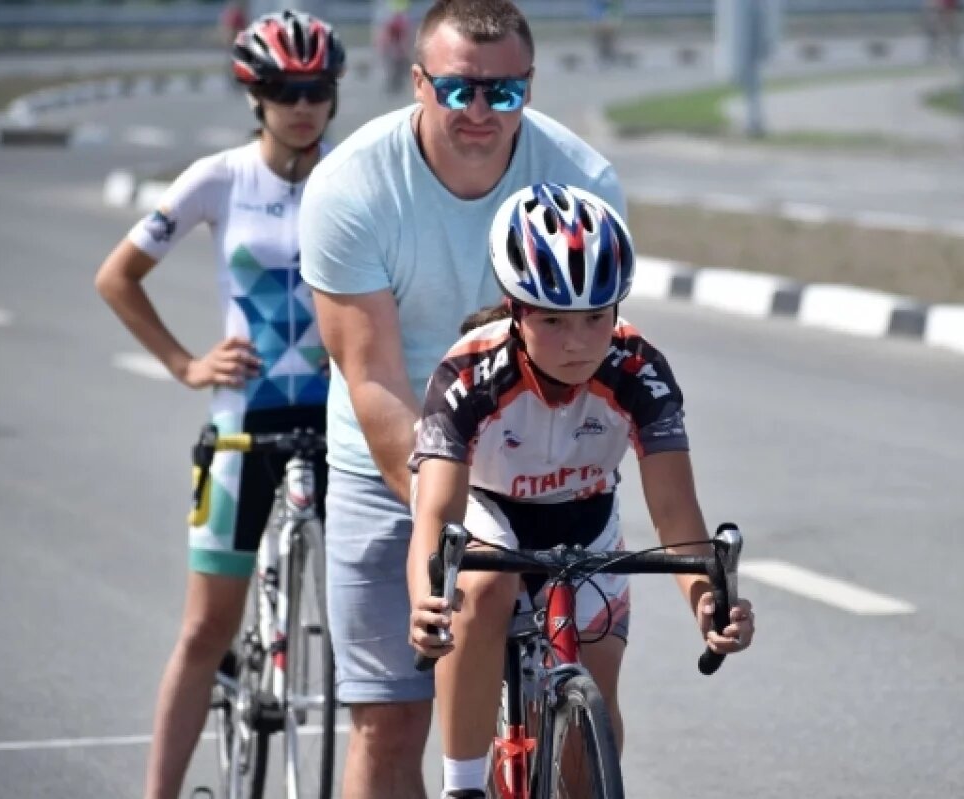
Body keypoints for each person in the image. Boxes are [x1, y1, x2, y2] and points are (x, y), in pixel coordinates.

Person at [298, 1, 626, 796]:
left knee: (589, 715)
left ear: (530, 88)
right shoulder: (351, 188)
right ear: (419, 83)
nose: (480, 112)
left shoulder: (583, 180)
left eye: (504, 94)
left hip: (541, 466)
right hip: (396, 469)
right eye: (458, 90)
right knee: (391, 723)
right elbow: (372, 380)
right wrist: (452, 517)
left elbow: (602, 355)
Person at [406, 183, 756, 799]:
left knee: (587, 747)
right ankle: (462, 787)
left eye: (598, 317)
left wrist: (707, 600)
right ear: (516, 310)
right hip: (493, 522)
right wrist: (427, 603)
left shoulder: (639, 371)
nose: (579, 342)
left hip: (588, 524)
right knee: (481, 589)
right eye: (554, 321)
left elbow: (676, 511)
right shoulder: (467, 375)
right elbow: (435, 516)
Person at [93, 10, 345, 798]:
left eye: (316, 89)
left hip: (341, 428)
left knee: (373, 635)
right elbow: (117, 276)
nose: (301, 105)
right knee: (206, 629)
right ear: (254, 95)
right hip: (243, 432)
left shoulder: (354, 175)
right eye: (281, 89)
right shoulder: (219, 178)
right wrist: (185, 363)